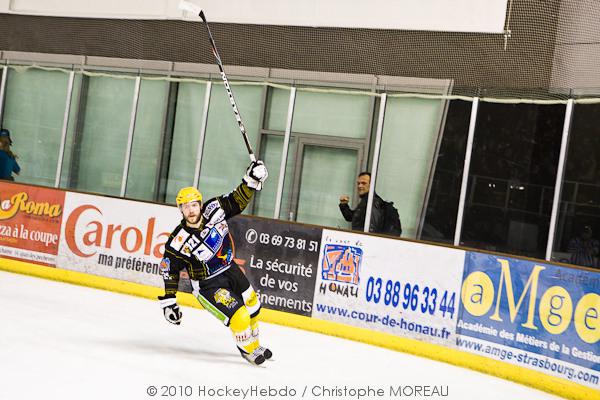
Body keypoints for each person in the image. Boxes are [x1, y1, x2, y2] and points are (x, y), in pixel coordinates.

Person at [158, 160, 271, 365]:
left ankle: (255, 344)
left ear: (200, 205)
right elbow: (169, 269)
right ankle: (247, 350)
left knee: (253, 304)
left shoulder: (214, 210)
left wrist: (251, 180)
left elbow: (237, 200)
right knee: (241, 316)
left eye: (194, 205)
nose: (191, 210)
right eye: (185, 207)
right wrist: (169, 302)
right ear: (180, 210)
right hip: (208, 285)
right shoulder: (179, 240)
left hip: (230, 269)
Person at [339, 171, 401, 236]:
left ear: (371, 185)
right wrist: (344, 205)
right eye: (358, 183)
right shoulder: (366, 201)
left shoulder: (373, 203)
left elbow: (372, 229)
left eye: (363, 183)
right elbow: (352, 217)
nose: (360, 186)